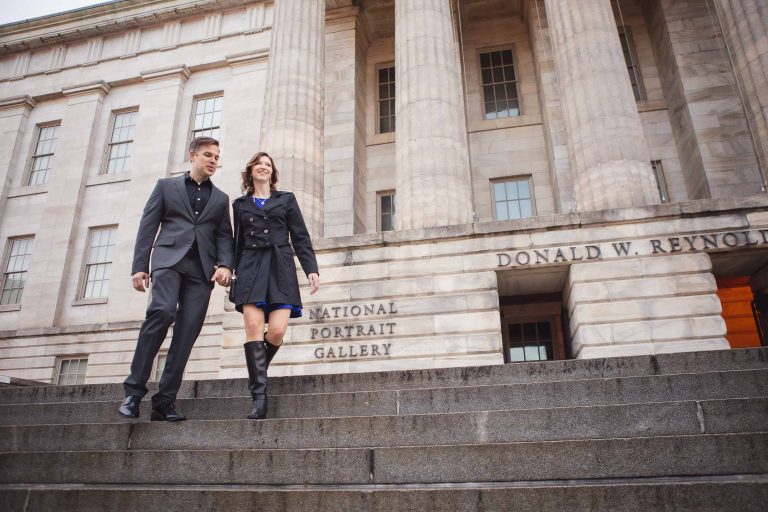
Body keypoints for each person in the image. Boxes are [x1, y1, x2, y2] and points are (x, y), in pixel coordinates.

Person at [118, 136, 234, 422]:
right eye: (208, 155)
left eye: (217, 157)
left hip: (201, 271)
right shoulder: (165, 186)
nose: (213, 161)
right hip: (168, 261)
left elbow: (224, 236)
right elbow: (148, 225)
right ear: (192, 155)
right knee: (163, 310)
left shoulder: (221, 198)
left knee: (186, 333)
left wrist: (226, 266)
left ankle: (164, 402)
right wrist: (139, 266)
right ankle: (133, 393)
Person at [231, 151, 319, 419]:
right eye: (259, 163)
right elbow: (236, 243)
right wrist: (230, 271)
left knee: (278, 332)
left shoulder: (286, 200)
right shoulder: (239, 204)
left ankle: (256, 373)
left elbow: (301, 236)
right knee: (254, 329)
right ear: (251, 170)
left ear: (273, 172)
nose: (264, 167)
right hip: (250, 268)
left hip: (280, 266)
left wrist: (311, 270)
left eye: (268, 165)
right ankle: (259, 396)